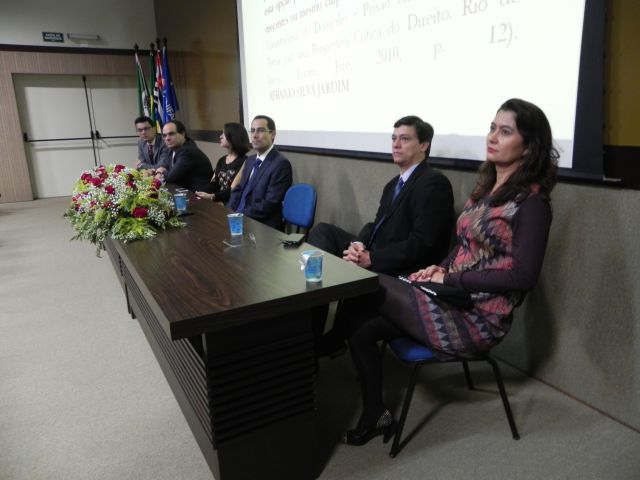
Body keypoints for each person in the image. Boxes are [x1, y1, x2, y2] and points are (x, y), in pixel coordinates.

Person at [340, 98, 558, 446]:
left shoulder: (532, 203)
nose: (493, 137)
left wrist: (451, 278)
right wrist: (438, 268)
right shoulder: (487, 189)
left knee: (368, 284)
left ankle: (322, 346)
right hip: (450, 297)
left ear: (529, 146)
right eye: (492, 128)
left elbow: (523, 277)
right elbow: (463, 246)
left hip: (479, 317)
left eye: (505, 132)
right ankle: (375, 413)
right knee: (362, 327)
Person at [308, 115, 454, 355]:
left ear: (424, 145)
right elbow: (376, 225)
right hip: (377, 251)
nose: (396, 144)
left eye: (404, 139)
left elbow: (422, 244)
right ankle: (313, 326)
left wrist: (371, 259)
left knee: (351, 272)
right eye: (394, 138)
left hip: (404, 267)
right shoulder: (394, 184)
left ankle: (329, 339)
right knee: (324, 232)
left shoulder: (433, 182)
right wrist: (358, 244)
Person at [228, 115, 292, 230]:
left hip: (261, 226)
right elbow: (239, 190)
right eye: (252, 131)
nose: (254, 135)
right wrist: (228, 211)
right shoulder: (250, 160)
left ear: (273, 134)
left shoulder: (281, 164)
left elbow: (269, 204)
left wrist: (241, 214)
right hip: (240, 220)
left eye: (260, 130)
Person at [195, 122, 251, 204]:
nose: (220, 136)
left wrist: (213, 197)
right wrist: (199, 192)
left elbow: (234, 190)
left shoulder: (245, 161)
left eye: (224, 134)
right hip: (219, 201)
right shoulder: (222, 160)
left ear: (233, 137)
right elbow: (214, 184)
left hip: (233, 204)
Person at [155, 120, 213, 191]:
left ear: (183, 134)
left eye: (171, 134)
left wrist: (161, 172)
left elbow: (171, 178)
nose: (167, 138)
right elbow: (164, 166)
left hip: (197, 194)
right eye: (164, 135)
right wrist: (160, 171)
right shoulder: (172, 149)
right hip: (183, 190)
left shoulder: (188, 151)